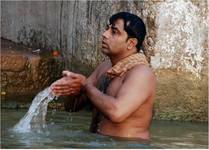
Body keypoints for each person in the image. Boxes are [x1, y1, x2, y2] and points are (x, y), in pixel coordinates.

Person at [51, 12, 156, 141]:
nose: (104, 34)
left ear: (131, 43)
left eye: (114, 32)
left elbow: (117, 113)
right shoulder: (105, 67)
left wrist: (86, 85)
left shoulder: (141, 73)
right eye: (107, 29)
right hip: (97, 142)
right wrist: (73, 87)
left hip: (127, 145)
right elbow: (71, 107)